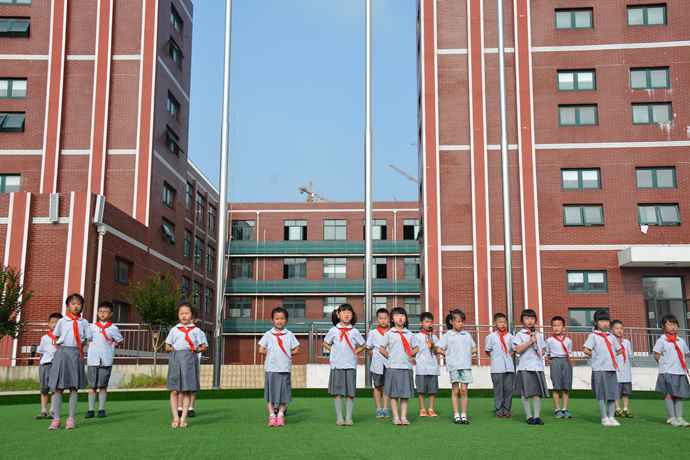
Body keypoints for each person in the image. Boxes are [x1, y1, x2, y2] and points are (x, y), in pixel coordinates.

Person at [48, 294, 92, 430]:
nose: (76, 306)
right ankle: (56, 419)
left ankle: (71, 418)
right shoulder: (62, 321)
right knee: (58, 388)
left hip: (76, 354)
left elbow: (88, 338)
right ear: (68, 306)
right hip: (62, 353)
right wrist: (60, 351)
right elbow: (55, 336)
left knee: (74, 387)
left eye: (78, 304)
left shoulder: (84, 322)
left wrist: (80, 348)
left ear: (82, 306)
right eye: (73, 304)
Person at [165, 302, 208, 429]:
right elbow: (167, 346)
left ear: (192, 315)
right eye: (181, 313)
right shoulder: (174, 330)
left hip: (190, 360)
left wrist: (196, 350)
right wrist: (172, 349)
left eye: (186, 313)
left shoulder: (197, 331)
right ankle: (175, 418)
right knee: (174, 390)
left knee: (187, 390)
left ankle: (183, 418)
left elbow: (204, 346)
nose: (184, 316)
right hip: (175, 359)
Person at [323, 303, 365, 426]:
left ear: (352, 315)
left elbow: (363, 344)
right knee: (337, 392)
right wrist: (333, 350)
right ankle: (339, 417)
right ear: (338, 314)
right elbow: (325, 343)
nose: (347, 314)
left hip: (350, 365)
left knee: (350, 392)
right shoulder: (333, 330)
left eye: (349, 312)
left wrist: (356, 352)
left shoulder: (354, 331)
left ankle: (349, 417)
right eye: (344, 312)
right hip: (337, 365)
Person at [258, 306, 300, 427]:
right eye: (277, 319)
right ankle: (272, 415)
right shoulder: (268, 334)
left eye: (282, 318)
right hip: (271, 368)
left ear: (286, 320)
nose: (279, 321)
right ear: (272, 320)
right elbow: (261, 349)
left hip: (284, 368)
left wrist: (288, 353)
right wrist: (271, 352)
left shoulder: (289, 334)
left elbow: (297, 348)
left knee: (284, 393)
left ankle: (280, 414)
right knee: (270, 393)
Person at [379, 307, 418, 425]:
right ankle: (396, 417)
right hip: (393, 368)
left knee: (405, 395)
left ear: (405, 318)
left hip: (406, 367)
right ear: (392, 319)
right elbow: (381, 348)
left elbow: (416, 347)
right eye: (396, 316)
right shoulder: (389, 334)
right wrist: (390, 357)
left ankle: (404, 417)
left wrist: (411, 354)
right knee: (394, 395)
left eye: (402, 315)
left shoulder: (410, 334)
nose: (400, 318)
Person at [437, 309, 476, 424]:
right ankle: (456, 414)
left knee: (464, 390)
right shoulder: (447, 335)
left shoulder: (467, 335)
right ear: (451, 322)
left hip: (465, 366)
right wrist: (446, 355)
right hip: (453, 366)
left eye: (462, 321)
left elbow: (474, 347)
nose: (461, 324)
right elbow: (438, 348)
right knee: (455, 390)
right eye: (458, 321)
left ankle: (463, 414)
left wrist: (473, 352)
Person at [86, 301, 123, 419]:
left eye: (106, 312)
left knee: (103, 386)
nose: (103, 314)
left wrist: (112, 343)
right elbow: (87, 339)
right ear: (97, 313)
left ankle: (101, 409)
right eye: (101, 311)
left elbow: (120, 340)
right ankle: (90, 409)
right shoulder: (92, 327)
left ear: (111, 314)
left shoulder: (113, 328)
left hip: (106, 360)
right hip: (93, 360)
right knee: (92, 386)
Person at [583, 309, 621, 427]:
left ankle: (611, 417)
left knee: (612, 394)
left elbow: (619, 350)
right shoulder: (593, 336)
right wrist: (594, 355)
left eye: (607, 321)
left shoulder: (612, 337)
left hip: (611, 369)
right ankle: (604, 417)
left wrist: (611, 357)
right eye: (601, 321)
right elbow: (586, 349)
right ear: (596, 323)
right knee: (601, 394)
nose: (605, 323)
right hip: (599, 369)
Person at [512, 308, 548, 425]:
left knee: (537, 393)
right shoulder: (519, 335)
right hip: (525, 367)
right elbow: (517, 350)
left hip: (537, 367)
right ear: (522, 320)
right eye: (527, 318)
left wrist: (538, 345)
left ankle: (537, 417)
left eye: (532, 318)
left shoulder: (539, 335)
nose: (530, 321)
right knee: (525, 393)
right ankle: (529, 416)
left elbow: (543, 351)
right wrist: (530, 342)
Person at [653, 314, 690, 427]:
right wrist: (664, 365)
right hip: (667, 372)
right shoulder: (662, 340)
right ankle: (671, 417)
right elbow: (656, 354)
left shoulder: (681, 340)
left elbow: (686, 353)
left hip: (680, 372)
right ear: (663, 327)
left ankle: (679, 417)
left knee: (679, 395)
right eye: (669, 324)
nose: (673, 327)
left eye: (674, 324)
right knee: (669, 395)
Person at [484, 312, 514, 418]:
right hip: (497, 367)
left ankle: (507, 409)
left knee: (508, 389)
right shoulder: (491, 337)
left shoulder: (510, 337)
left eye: (504, 322)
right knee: (498, 390)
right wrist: (496, 358)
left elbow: (513, 350)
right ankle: (499, 409)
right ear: (495, 323)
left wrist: (507, 356)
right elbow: (487, 350)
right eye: (500, 322)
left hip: (509, 367)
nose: (503, 324)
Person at [546, 315, 573, 419]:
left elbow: (569, 353)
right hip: (555, 361)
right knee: (556, 387)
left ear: (563, 327)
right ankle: (557, 409)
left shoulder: (568, 340)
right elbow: (547, 353)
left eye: (559, 325)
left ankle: (565, 409)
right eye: (554, 325)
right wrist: (551, 361)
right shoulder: (549, 340)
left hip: (566, 361)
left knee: (566, 387)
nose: (556, 328)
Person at [36, 312, 62, 419]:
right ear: (48, 324)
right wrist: (41, 364)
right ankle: (43, 410)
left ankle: (53, 410)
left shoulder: (63, 338)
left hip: (57, 365)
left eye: (57, 323)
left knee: (55, 388)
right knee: (44, 388)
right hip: (45, 365)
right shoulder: (45, 338)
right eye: (52, 322)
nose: (54, 325)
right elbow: (41, 352)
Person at [414, 311, 440, 417]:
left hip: (433, 367)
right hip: (421, 367)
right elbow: (413, 351)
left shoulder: (434, 337)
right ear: (421, 323)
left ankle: (431, 409)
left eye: (430, 322)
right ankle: (422, 409)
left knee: (432, 390)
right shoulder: (416, 336)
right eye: (426, 321)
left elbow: (437, 351)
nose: (429, 324)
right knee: (421, 390)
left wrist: (433, 346)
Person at [365, 307, 390, 418]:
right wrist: (374, 356)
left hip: (389, 363)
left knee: (387, 387)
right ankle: (379, 409)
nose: (383, 320)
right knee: (377, 386)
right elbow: (368, 347)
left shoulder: (392, 332)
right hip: (377, 364)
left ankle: (386, 408)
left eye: (385, 318)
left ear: (389, 319)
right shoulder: (373, 333)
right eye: (381, 318)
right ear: (377, 319)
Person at [611, 319, 633, 418]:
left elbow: (630, 355)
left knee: (626, 392)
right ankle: (617, 409)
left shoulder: (626, 342)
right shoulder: (611, 342)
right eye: (616, 328)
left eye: (621, 328)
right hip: (616, 371)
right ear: (612, 330)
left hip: (626, 371)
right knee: (616, 392)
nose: (619, 330)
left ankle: (625, 409)